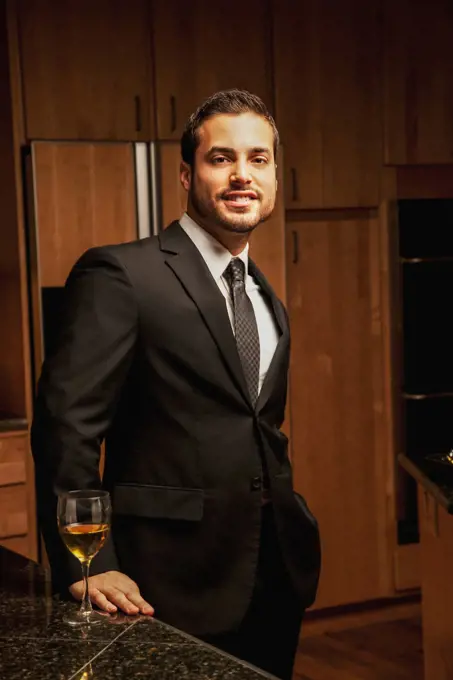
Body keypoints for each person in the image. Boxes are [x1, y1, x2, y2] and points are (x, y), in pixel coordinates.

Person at [31, 89, 321, 680]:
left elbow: (256, 429)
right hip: (163, 582)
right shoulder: (122, 274)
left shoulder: (267, 297)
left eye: (259, 158)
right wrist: (88, 564)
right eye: (222, 158)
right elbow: (69, 429)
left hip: (274, 575)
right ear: (187, 175)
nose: (243, 174)